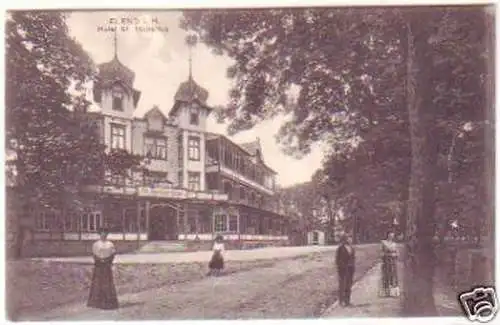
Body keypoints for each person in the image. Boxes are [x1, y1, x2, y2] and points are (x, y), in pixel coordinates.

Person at [87, 228, 119, 310]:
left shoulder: (110, 244)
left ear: (107, 235)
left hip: (106, 266)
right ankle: (97, 302)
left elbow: (112, 254)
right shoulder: (96, 244)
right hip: (99, 266)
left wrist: (107, 260)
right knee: (98, 283)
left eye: (105, 233)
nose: (103, 235)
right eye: (102, 233)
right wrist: (99, 260)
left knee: (107, 283)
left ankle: (109, 302)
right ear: (99, 234)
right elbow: (94, 254)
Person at [335, 234, 356, 307]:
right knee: (342, 285)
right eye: (349, 238)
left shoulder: (352, 248)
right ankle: (341, 301)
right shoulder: (340, 248)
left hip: (350, 269)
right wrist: (340, 268)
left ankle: (347, 301)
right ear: (345, 239)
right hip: (343, 269)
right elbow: (337, 260)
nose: (350, 240)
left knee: (349, 285)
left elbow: (353, 258)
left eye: (351, 238)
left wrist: (353, 266)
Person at [379, 231, 400, 297]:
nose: (391, 236)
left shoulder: (394, 244)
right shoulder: (383, 242)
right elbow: (381, 253)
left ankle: (393, 292)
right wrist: (386, 255)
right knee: (386, 275)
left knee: (393, 275)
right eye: (390, 235)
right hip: (386, 261)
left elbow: (397, 253)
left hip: (393, 261)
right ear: (387, 235)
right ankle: (386, 291)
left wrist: (395, 255)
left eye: (392, 235)